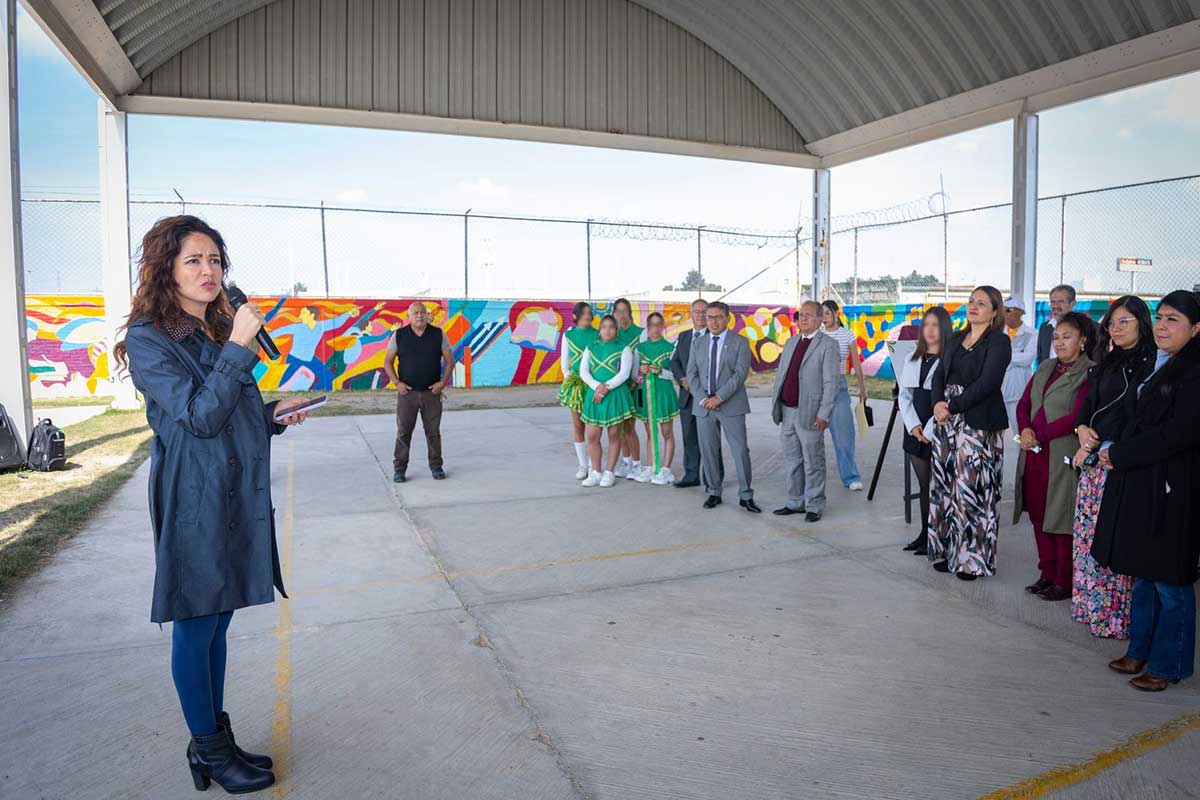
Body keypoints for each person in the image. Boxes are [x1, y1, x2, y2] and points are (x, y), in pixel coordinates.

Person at [116, 216, 311, 794]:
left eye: (215, 260)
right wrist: (238, 346)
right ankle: (207, 750)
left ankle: (214, 738)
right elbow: (198, 417)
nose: (209, 271)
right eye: (193, 261)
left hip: (234, 490)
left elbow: (227, 412)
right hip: (194, 497)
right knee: (196, 622)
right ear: (166, 271)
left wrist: (271, 414)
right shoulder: (149, 339)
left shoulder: (215, 333)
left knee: (219, 618)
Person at [1093, 290, 1200, 691]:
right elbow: (1133, 416)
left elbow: (1177, 433)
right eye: (1161, 317)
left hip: (1173, 488)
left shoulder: (1193, 371)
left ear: (1196, 328)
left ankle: (1167, 665)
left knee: (1171, 582)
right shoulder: (1159, 364)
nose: (1162, 326)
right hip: (1142, 482)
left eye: (1174, 319)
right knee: (1145, 574)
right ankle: (1139, 649)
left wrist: (1120, 454)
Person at [1070, 295, 1155, 639]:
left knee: (1114, 541)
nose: (1115, 329)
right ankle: (1092, 609)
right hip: (1093, 463)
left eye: (1125, 322)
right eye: (1112, 322)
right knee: (1089, 538)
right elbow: (1088, 404)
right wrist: (1081, 429)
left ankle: (1116, 618)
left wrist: (1098, 439)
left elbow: (1133, 416)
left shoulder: (1151, 364)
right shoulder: (1106, 361)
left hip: (1118, 464)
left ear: (1141, 324)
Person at [929, 285, 1012, 580]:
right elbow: (939, 374)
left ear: (994, 311)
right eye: (970, 301)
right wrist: (937, 402)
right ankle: (950, 552)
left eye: (981, 303)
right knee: (947, 488)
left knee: (972, 489)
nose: (973, 306)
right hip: (947, 423)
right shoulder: (954, 339)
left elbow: (988, 382)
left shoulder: (999, 342)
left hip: (977, 422)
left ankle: (972, 560)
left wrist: (952, 405)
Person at [1013, 312, 1096, 601]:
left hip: (1061, 454)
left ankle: (1064, 580)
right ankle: (1046, 573)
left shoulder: (1090, 372)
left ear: (1083, 341)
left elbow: (1078, 414)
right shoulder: (1046, 367)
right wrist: (1024, 428)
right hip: (1034, 453)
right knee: (1037, 514)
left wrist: (1039, 435)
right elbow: (1024, 404)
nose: (1059, 342)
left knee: (1060, 518)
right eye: (1057, 336)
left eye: (1067, 336)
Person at [686, 301, 759, 513]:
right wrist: (703, 399)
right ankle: (713, 492)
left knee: (740, 451)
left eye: (718, 317)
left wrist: (719, 397)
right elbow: (692, 373)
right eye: (709, 317)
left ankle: (746, 495)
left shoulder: (740, 342)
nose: (713, 321)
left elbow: (740, 374)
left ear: (727, 318)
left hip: (731, 405)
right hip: (704, 407)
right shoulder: (698, 343)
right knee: (709, 451)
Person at [771, 301, 839, 522]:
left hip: (810, 412)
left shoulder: (828, 345)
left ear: (820, 319)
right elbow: (782, 375)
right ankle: (795, 501)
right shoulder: (791, 342)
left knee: (813, 461)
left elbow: (831, 383)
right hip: (787, 411)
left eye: (809, 315)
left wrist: (824, 413)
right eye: (801, 315)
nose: (803, 319)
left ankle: (814, 504)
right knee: (792, 460)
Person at [898, 306, 953, 555]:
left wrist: (929, 428)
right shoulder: (913, 356)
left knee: (939, 486)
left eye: (935, 325)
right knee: (924, 485)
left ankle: (941, 536)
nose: (930, 330)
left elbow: (948, 399)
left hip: (938, 429)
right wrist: (913, 426)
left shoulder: (951, 358)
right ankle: (924, 534)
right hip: (914, 430)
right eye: (926, 325)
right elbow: (905, 394)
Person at [383, 302, 455, 483]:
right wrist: (397, 383)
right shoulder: (398, 336)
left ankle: (436, 466)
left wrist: (442, 383)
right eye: (415, 313)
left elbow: (450, 361)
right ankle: (399, 469)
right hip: (407, 394)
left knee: (433, 432)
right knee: (403, 432)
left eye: (422, 312)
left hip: (431, 393)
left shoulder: (438, 334)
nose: (419, 315)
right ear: (409, 316)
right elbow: (387, 362)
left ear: (427, 315)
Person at [579, 314, 636, 487]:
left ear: (616, 330)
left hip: (615, 395)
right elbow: (584, 372)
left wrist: (606, 387)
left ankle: (609, 472)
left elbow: (624, 374)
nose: (607, 330)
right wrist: (598, 387)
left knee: (613, 435)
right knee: (593, 435)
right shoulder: (590, 348)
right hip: (595, 395)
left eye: (611, 327)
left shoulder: (624, 348)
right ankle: (596, 472)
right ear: (600, 330)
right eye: (604, 327)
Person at [819, 300, 867, 491]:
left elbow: (856, 363)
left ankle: (851, 477)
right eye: (821, 314)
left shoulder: (847, 335)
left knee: (844, 436)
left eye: (827, 313)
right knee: (811, 438)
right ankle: (812, 478)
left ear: (837, 314)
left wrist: (862, 388)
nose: (824, 318)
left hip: (839, 387)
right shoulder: (818, 334)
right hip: (818, 387)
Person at [633, 312, 680, 485]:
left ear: (663, 326)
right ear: (648, 327)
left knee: (667, 432)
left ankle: (666, 469)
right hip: (646, 394)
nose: (655, 328)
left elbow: (675, 374)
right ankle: (652, 466)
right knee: (650, 433)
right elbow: (634, 374)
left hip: (664, 394)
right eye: (652, 324)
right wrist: (641, 373)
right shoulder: (640, 348)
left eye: (659, 324)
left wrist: (661, 372)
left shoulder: (671, 347)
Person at [273, 303, 361, 391]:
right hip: (296, 360)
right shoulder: (297, 327)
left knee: (327, 378)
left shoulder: (320, 326)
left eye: (303, 313)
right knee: (284, 383)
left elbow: (336, 322)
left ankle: (316, 392)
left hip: (309, 359)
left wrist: (348, 314)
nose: (300, 316)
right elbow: (279, 331)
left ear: (311, 315)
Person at [669, 298, 708, 488]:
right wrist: (682, 379)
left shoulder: (715, 335)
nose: (700, 315)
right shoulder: (683, 336)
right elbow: (674, 362)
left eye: (704, 312)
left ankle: (711, 478)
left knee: (709, 439)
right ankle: (691, 475)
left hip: (708, 397)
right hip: (687, 397)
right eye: (697, 312)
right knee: (689, 437)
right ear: (691, 315)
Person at [558, 302, 596, 479]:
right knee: (578, 425)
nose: (587, 316)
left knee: (592, 426)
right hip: (575, 385)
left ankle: (593, 463)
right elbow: (565, 364)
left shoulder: (597, 334)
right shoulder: (568, 335)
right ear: (575, 316)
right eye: (584, 313)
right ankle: (583, 465)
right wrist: (571, 381)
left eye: (589, 313)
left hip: (593, 384)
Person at [612, 298, 647, 480]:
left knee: (629, 426)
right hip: (617, 388)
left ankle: (637, 464)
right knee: (620, 427)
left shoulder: (641, 333)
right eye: (617, 311)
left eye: (624, 311)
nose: (621, 315)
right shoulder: (613, 335)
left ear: (630, 313)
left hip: (635, 386)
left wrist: (635, 380)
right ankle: (626, 462)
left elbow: (644, 359)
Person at [1002, 296, 1038, 436]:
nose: (1005, 313)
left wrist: (1004, 357)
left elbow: (1028, 358)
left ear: (1021, 312)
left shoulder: (1032, 333)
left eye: (1009, 310)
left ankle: (1022, 457)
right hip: (998, 391)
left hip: (1018, 389)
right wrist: (1015, 355)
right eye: (1003, 310)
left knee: (1019, 431)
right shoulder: (997, 333)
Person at [1037, 284, 1077, 363]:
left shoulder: (1086, 327)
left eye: (1060, 301)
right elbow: (1041, 358)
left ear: (1072, 304)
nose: (1055, 306)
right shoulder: (1045, 328)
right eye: (1053, 302)